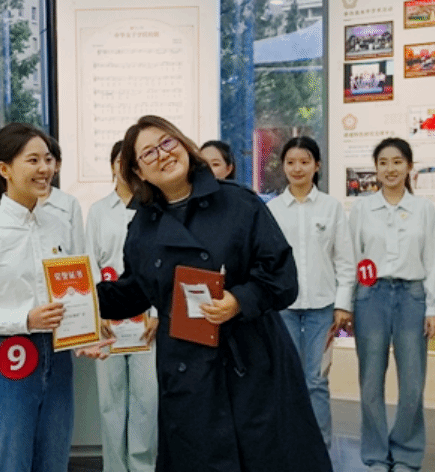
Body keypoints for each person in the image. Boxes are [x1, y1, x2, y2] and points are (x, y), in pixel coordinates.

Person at [96, 115, 332, 472]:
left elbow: (282, 277)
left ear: (184, 144)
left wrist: (239, 300)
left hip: (253, 361)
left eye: (167, 142)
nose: (163, 154)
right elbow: (136, 290)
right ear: (139, 172)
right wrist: (83, 303)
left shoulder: (239, 202)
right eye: (148, 153)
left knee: (267, 457)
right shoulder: (142, 226)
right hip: (188, 371)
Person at [0, 122, 110, 472]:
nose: (45, 169)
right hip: (9, 357)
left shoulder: (60, 224)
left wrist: (87, 332)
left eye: (49, 159)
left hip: (58, 356)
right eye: (33, 160)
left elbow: (74, 290)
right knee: (12, 463)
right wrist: (25, 319)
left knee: (54, 460)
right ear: (5, 169)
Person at [349, 137, 435, 472]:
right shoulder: (361, 209)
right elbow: (353, 259)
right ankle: (375, 455)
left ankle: (406, 454)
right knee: (370, 382)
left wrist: (433, 308)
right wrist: (347, 304)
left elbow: (433, 261)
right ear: (376, 169)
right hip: (370, 296)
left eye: (397, 162)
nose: (390, 169)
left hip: (412, 297)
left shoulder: (424, 209)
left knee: (413, 383)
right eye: (383, 162)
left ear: (409, 167)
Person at [267, 136, 355, 449]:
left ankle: (319, 449)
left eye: (305, 162)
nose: (297, 168)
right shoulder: (272, 210)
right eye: (291, 162)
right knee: (287, 379)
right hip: (284, 308)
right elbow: (267, 261)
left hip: (323, 308)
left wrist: (343, 305)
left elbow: (345, 261)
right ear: (283, 166)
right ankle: (290, 448)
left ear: (317, 165)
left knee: (316, 380)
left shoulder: (331, 208)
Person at [85, 140, 158, 472]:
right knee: (111, 403)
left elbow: (160, 265)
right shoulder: (99, 211)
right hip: (108, 321)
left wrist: (157, 313)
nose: (125, 167)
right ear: (113, 166)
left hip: (146, 321)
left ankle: (142, 468)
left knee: (146, 401)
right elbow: (90, 262)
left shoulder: (153, 208)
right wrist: (97, 311)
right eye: (120, 160)